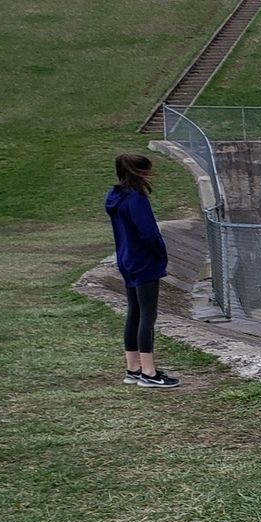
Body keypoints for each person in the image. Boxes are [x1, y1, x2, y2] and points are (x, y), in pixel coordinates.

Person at [106, 154, 179, 389]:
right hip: (143, 261)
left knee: (134, 313)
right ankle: (149, 372)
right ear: (141, 172)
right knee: (148, 315)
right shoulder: (136, 199)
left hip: (126, 259)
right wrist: (160, 254)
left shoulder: (115, 197)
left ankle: (133, 368)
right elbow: (149, 233)